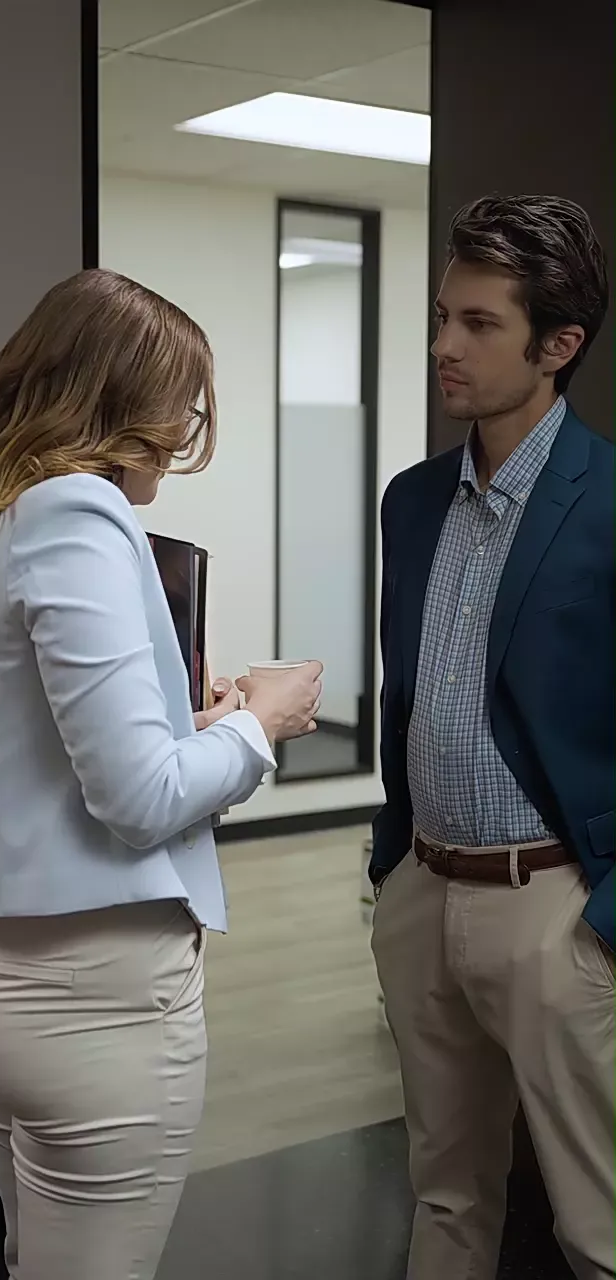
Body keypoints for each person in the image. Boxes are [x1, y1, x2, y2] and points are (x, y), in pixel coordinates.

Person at [0, 268, 322, 1280]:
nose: (182, 431)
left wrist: (192, 724)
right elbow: (139, 798)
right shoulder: (77, 512)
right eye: (181, 404)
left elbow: (32, 739)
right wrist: (260, 722)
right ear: (124, 399)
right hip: (88, 1001)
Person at [370, 194, 614, 1280]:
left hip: (553, 906)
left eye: (478, 324)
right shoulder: (412, 500)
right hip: (424, 894)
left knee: (598, 1226)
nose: (444, 346)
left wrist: (603, 919)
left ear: (558, 346)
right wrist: (392, 868)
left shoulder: (609, 501)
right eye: (442, 317)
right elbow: (407, 693)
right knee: (446, 1197)